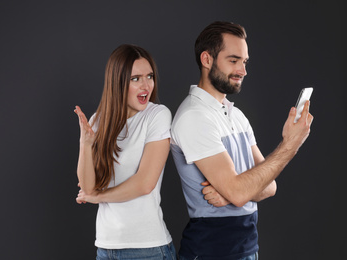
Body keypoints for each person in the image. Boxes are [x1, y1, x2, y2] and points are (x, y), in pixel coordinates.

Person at [170, 21, 314, 260]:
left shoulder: (236, 116)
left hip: (246, 250)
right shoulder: (194, 116)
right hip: (211, 252)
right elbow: (243, 191)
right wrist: (290, 145)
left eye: (244, 62)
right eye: (233, 60)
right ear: (207, 60)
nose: (243, 71)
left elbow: (270, 186)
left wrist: (231, 193)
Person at [74, 44, 176, 260]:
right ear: (117, 82)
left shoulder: (157, 116)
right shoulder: (97, 121)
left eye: (149, 76)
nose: (146, 85)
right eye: (135, 79)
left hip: (147, 249)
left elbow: (145, 184)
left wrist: (98, 197)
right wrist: (86, 143)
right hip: (106, 246)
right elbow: (88, 186)